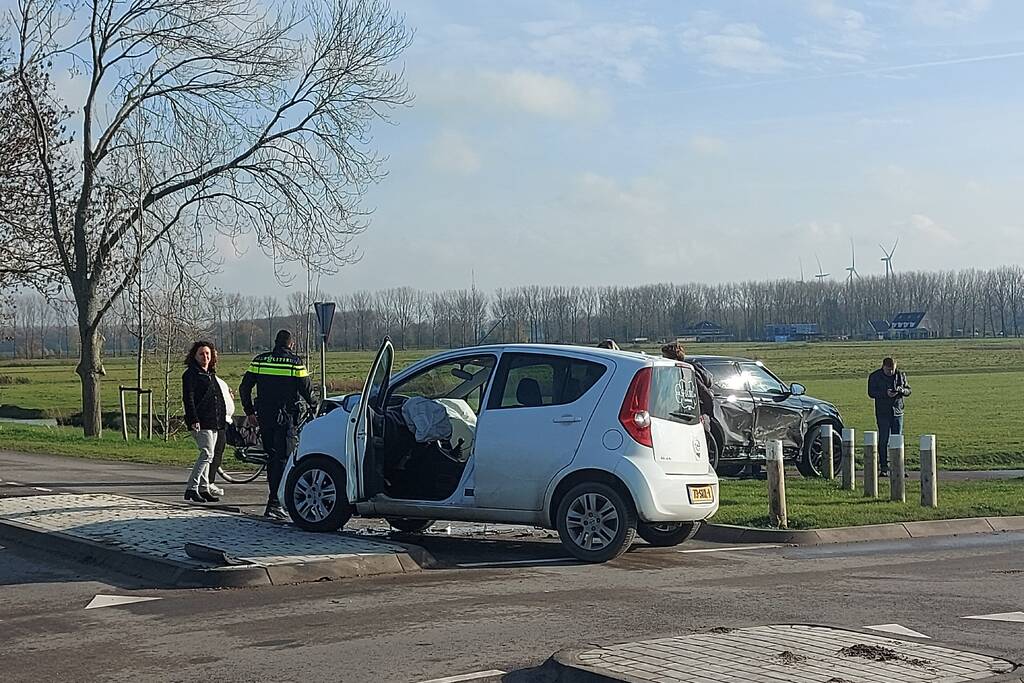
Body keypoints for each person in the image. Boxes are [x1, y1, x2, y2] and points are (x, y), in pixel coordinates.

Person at [240, 329, 316, 520]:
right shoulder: (295, 363)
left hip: (265, 417)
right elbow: (307, 390)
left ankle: (274, 501)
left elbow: (244, 387)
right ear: (291, 345)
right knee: (283, 460)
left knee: (272, 459)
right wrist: (315, 406)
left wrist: (249, 411)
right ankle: (275, 503)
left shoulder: (260, 360)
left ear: (275, 342)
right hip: (286, 418)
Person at [182, 341, 226, 503]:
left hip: (214, 421)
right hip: (201, 421)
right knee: (206, 453)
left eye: (208, 354)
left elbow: (218, 398)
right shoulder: (191, 375)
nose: (205, 357)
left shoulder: (210, 374)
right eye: (201, 354)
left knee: (210, 454)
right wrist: (193, 419)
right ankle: (191, 488)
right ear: (194, 355)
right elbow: (189, 398)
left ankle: (204, 488)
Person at [868, 357, 911, 477]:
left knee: (897, 440)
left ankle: (899, 467)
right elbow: (871, 393)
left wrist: (901, 390)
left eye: (893, 370)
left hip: (897, 412)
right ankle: (884, 467)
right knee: (883, 440)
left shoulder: (900, 375)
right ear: (883, 367)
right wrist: (885, 394)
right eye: (888, 370)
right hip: (883, 412)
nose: (891, 372)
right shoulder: (875, 376)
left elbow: (909, 390)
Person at [206, 373, 235, 498]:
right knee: (211, 453)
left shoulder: (217, 380)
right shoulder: (205, 378)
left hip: (224, 420)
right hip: (215, 420)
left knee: (217, 452)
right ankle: (207, 482)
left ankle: (207, 482)